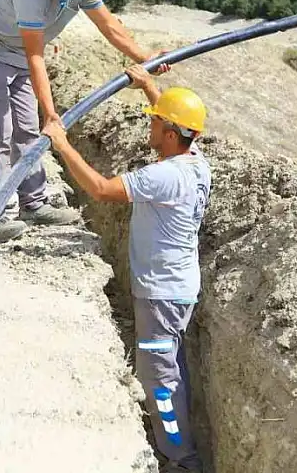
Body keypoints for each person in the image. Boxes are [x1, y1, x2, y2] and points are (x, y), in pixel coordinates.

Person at [42, 66, 210, 473]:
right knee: (171, 366)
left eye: (156, 122)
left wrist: (63, 145)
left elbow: (100, 189)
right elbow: (174, 121)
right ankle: (181, 445)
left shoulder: (162, 177)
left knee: (160, 382)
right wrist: (151, 89)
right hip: (178, 289)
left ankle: (181, 461)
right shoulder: (195, 161)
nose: (150, 126)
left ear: (171, 133)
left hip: (160, 296)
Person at [0, 0, 169, 243]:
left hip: (16, 56)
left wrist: (146, 55)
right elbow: (36, 56)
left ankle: (34, 204)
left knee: (28, 131)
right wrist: (52, 113)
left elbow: (110, 26)